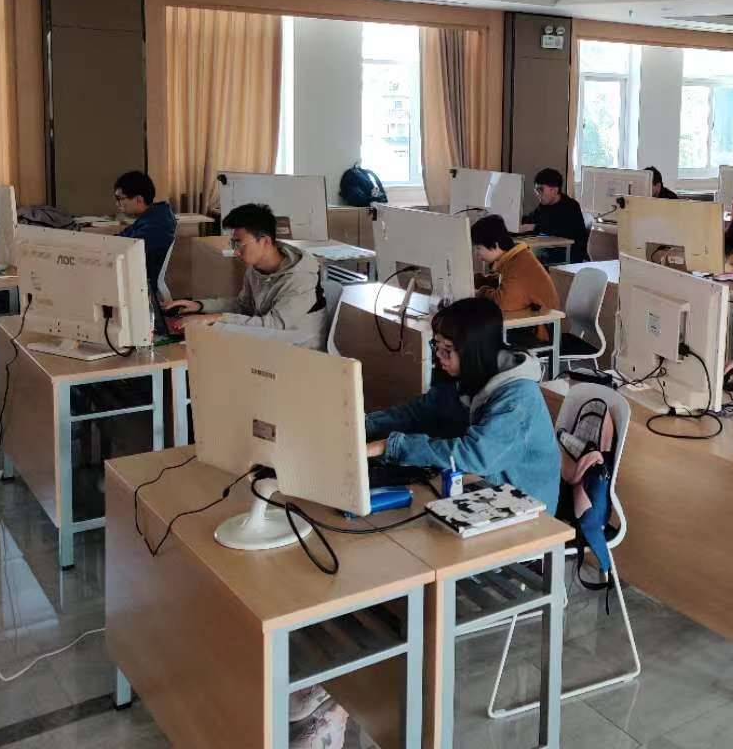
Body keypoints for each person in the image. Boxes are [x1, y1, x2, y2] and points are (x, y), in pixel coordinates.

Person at [285, 298, 559, 748]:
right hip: (469, 502)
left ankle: (343, 706)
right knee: (361, 554)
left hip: (520, 525)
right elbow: (418, 412)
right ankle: (339, 682)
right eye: (437, 347)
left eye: (447, 350)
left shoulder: (518, 399)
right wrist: (355, 425)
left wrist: (389, 446)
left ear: (474, 351)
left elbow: (473, 455)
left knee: (390, 577)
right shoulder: (468, 379)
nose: (439, 358)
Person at [163, 203, 328, 349]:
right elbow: (244, 306)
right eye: (233, 244)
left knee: (210, 347)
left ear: (265, 241)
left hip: (301, 351)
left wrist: (214, 318)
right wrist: (199, 306)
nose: (236, 252)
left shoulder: (301, 278)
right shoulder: (255, 268)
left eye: (239, 244)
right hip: (269, 341)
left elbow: (275, 324)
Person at [471, 214, 562, 343]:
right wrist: (473, 280)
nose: (477, 253)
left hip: (540, 334)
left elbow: (502, 302)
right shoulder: (516, 258)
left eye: (478, 248)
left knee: (477, 335)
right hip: (530, 325)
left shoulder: (520, 264)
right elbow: (501, 281)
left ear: (495, 245)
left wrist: (480, 292)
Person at [114, 170, 177, 296]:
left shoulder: (156, 224)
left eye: (120, 199)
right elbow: (122, 238)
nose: (117, 204)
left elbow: (128, 249)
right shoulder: (152, 216)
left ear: (139, 199)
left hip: (143, 288)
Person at [523, 167, 588, 262]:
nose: (537, 193)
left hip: (568, 254)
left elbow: (559, 230)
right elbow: (532, 219)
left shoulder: (571, 206)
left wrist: (534, 227)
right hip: (549, 250)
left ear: (554, 190)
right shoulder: (544, 205)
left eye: (540, 189)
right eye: (536, 190)